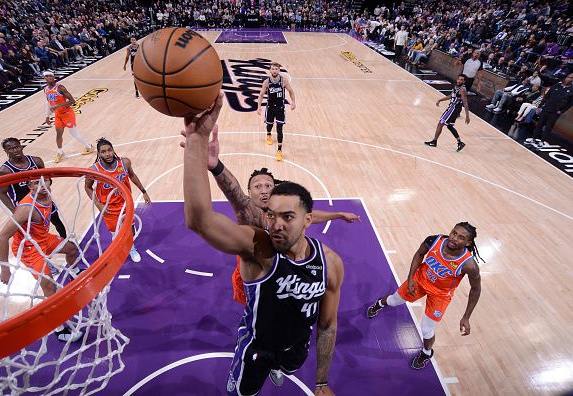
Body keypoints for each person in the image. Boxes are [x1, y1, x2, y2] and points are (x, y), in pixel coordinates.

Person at [184, 94, 342, 396]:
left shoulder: (330, 263)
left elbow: (327, 326)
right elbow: (201, 219)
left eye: (287, 216)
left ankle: (281, 366)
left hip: (297, 344)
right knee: (258, 311)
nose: (277, 223)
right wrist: (198, 141)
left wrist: (321, 381)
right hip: (257, 320)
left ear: (306, 219)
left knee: (290, 356)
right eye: (271, 215)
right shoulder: (258, 243)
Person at [191, 126, 359, 305]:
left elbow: (308, 215)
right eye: (257, 187)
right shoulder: (251, 214)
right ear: (249, 192)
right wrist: (216, 167)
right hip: (257, 271)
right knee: (260, 311)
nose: (263, 191)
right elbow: (237, 196)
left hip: (280, 268)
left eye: (268, 186)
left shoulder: (281, 213)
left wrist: (337, 214)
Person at [366, 222, 482, 369]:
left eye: (461, 237)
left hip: (440, 294)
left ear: (468, 242)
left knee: (427, 329)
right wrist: (410, 278)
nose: (454, 238)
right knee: (394, 301)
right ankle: (380, 304)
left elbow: (476, 289)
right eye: (454, 233)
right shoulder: (433, 241)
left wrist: (466, 316)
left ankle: (426, 353)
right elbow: (419, 254)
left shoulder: (469, 265)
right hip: (419, 281)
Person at [0, 178, 83, 342]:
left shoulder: (47, 196)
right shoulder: (26, 209)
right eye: (36, 183)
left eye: (45, 181)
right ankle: (58, 328)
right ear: (30, 186)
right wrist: (5, 269)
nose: (41, 185)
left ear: (50, 183)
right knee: (49, 285)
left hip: (43, 240)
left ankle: (74, 271)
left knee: (72, 249)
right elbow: (1, 238)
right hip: (29, 249)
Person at [84, 138, 151, 262]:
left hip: (126, 203)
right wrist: (98, 204)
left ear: (113, 150)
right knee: (115, 233)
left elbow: (132, 175)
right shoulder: (94, 170)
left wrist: (144, 192)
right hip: (108, 207)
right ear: (98, 154)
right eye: (103, 151)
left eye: (109, 150)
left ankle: (132, 249)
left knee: (130, 228)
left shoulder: (124, 163)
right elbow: (87, 187)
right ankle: (119, 247)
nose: (107, 153)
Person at [0, 137, 67, 238]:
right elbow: (2, 193)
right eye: (11, 149)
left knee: (57, 221)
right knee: (32, 232)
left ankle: (65, 241)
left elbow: (48, 179)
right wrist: (14, 210)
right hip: (24, 205)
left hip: (42, 199)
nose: (15, 150)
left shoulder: (36, 161)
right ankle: (38, 249)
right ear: (6, 151)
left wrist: (46, 187)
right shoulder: (4, 170)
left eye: (16, 147)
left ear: (21, 146)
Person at [43, 71, 93, 163]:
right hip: (58, 114)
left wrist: (58, 106)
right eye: (46, 76)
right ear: (44, 78)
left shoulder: (60, 88)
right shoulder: (45, 89)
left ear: (54, 77)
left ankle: (89, 146)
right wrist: (47, 116)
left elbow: (72, 101)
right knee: (58, 133)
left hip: (67, 113)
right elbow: (48, 103)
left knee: (74, 133)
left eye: (50, 76)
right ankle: (60, 152)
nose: (48, 77)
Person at [256, 62, 296, 161]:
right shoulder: (266, 82)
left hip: (280, 108)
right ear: (270, 70)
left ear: (279, 70)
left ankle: (279, 150)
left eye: (276, 69)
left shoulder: (284, 81)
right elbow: (261, 94)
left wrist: (293, 102)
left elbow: (291, 91)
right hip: (270, 107)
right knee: (269, 125)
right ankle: (268, 134)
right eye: (273, 69)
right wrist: (259, 107)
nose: (274, 71)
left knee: (279, 128)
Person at [424, 74, 470, 152]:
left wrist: (467, 116)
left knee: (440, 123)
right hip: (452, 108)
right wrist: (440, 100)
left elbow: (465, 103)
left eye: (462, 80)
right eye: (459, 79)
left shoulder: (462, 90)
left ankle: (434, 142)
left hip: (453, 109)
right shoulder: (457, 87)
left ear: (464, 81)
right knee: (449, 126)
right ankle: (460, 142)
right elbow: (450, 96)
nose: (459, 81)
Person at [528, 73, 573, 149]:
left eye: (571, 78)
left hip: (555, 112)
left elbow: (570, 104)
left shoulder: (571, 90)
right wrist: (539, 107)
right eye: (568, 77)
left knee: (548, 127)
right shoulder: (556, 85)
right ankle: (533, 138)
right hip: (546, 108)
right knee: (539, 125)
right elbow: (546, 97)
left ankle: (542, 141)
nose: (569, 79)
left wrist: (562, 111)